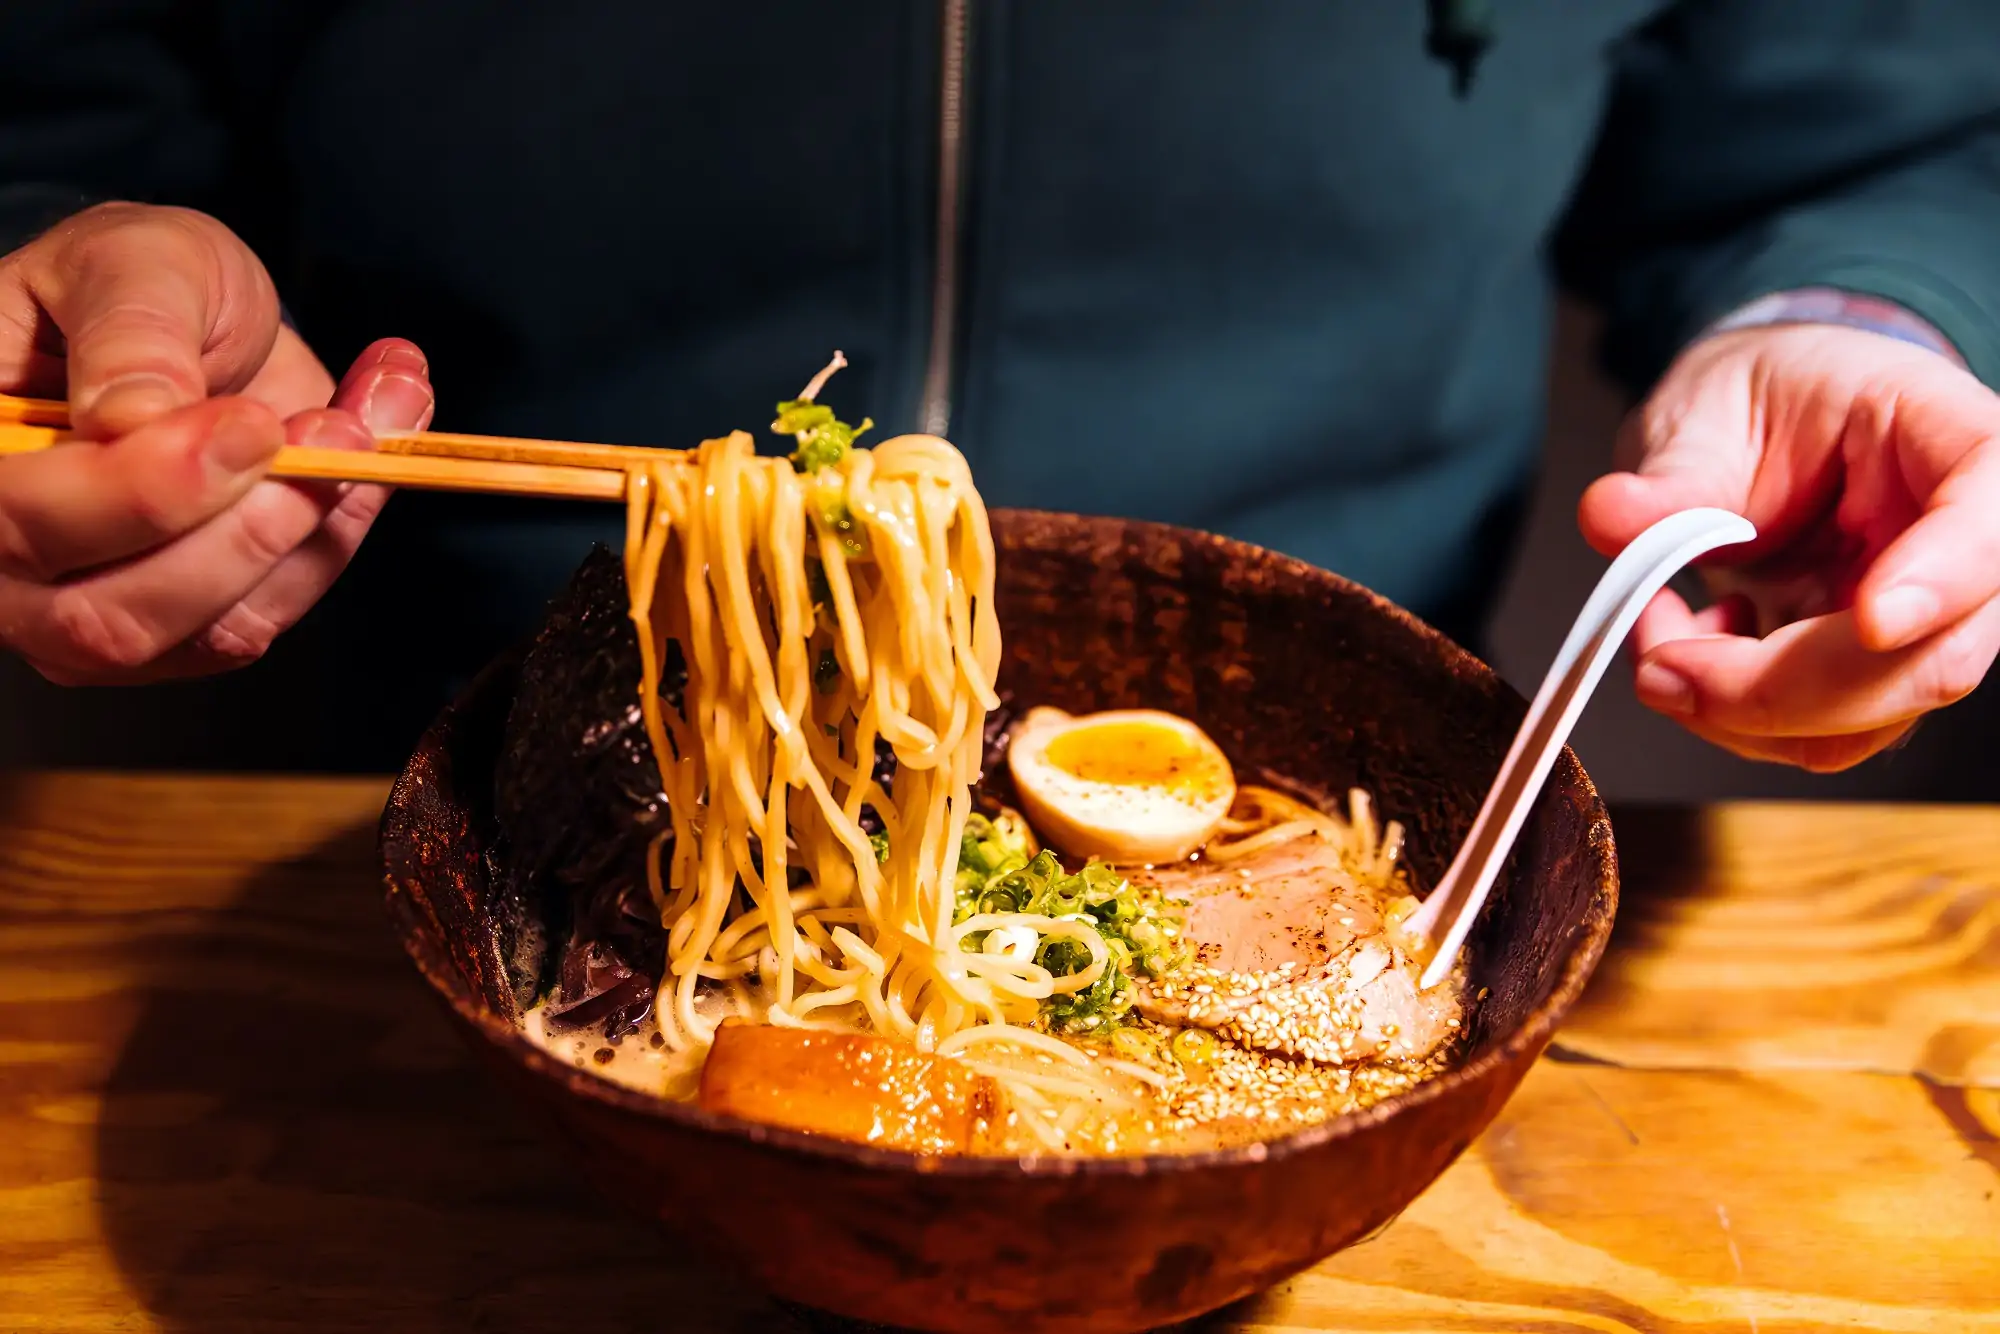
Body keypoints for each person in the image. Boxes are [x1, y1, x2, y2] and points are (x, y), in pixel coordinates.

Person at [0, 2, 1995, 772]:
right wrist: (59, 255)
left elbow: (1868, 125)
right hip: (367, 776)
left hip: (1312, 773)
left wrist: (1862, 316)